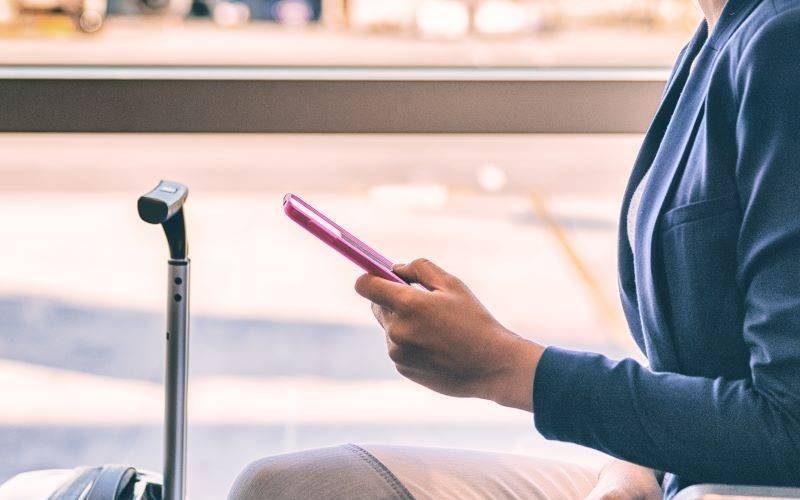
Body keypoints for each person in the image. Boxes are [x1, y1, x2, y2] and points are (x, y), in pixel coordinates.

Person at [229, 0, 800, 498]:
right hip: (679, 478)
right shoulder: (713, 37)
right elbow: (706, 365)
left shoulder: (782, 39)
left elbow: (790, 424)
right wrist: (633, 466)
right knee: (284, 487)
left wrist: (507, 367)